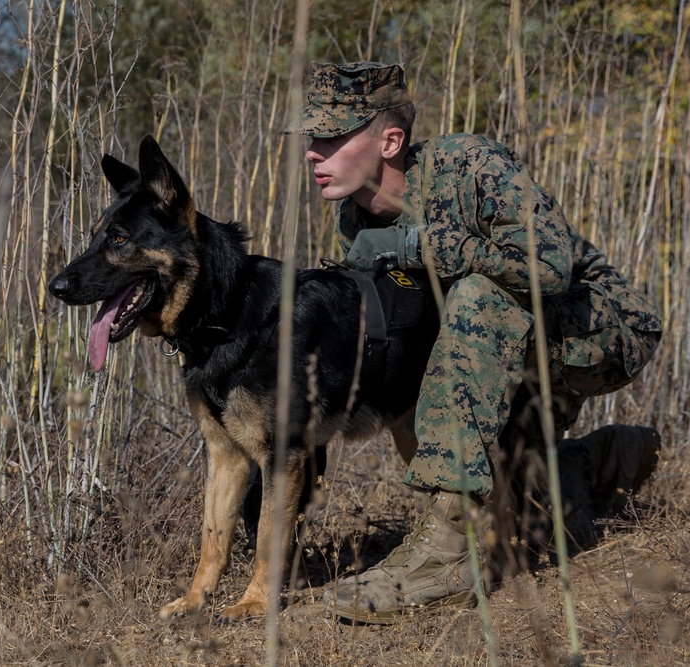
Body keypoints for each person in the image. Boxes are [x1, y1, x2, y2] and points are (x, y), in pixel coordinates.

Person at [284, 62, 663, 624]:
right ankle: (601, 458)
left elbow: (550, 267)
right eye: (311, 139)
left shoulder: (469, 164)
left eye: (332, 137)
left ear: (389, 140)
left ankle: (447, 551)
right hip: (499, 353)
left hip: (597, 328)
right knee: (520, 509)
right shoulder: (354, 218)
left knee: (479, 296)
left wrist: (420, 243)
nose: (314, 152)